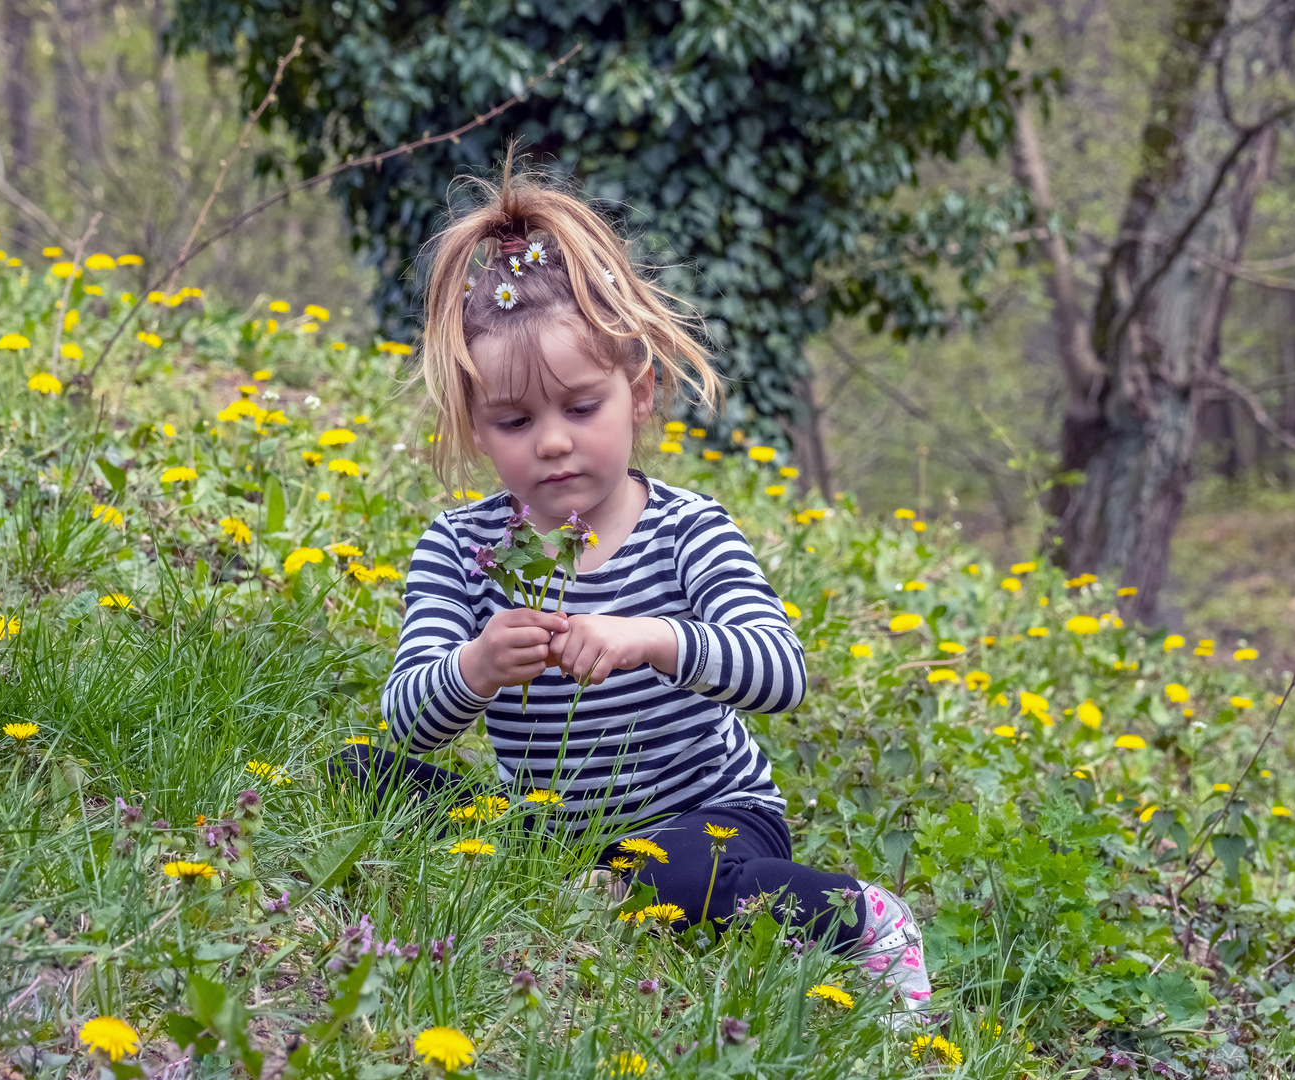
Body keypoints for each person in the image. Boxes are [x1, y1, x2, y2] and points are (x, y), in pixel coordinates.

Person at [332, 161, 930, 1021]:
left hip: (712, 818)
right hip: (548, 828)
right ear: (474, 428)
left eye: (581, 409)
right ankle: (587, 886)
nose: (551, 444)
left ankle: (859, 917)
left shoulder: (688, 529)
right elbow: (410, 719)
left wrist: (651, 638)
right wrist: (475, 666)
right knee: (361, 772)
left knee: (664, 872)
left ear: (638, 394)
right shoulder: (458, 549)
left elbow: (781, 671)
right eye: (513, 422)